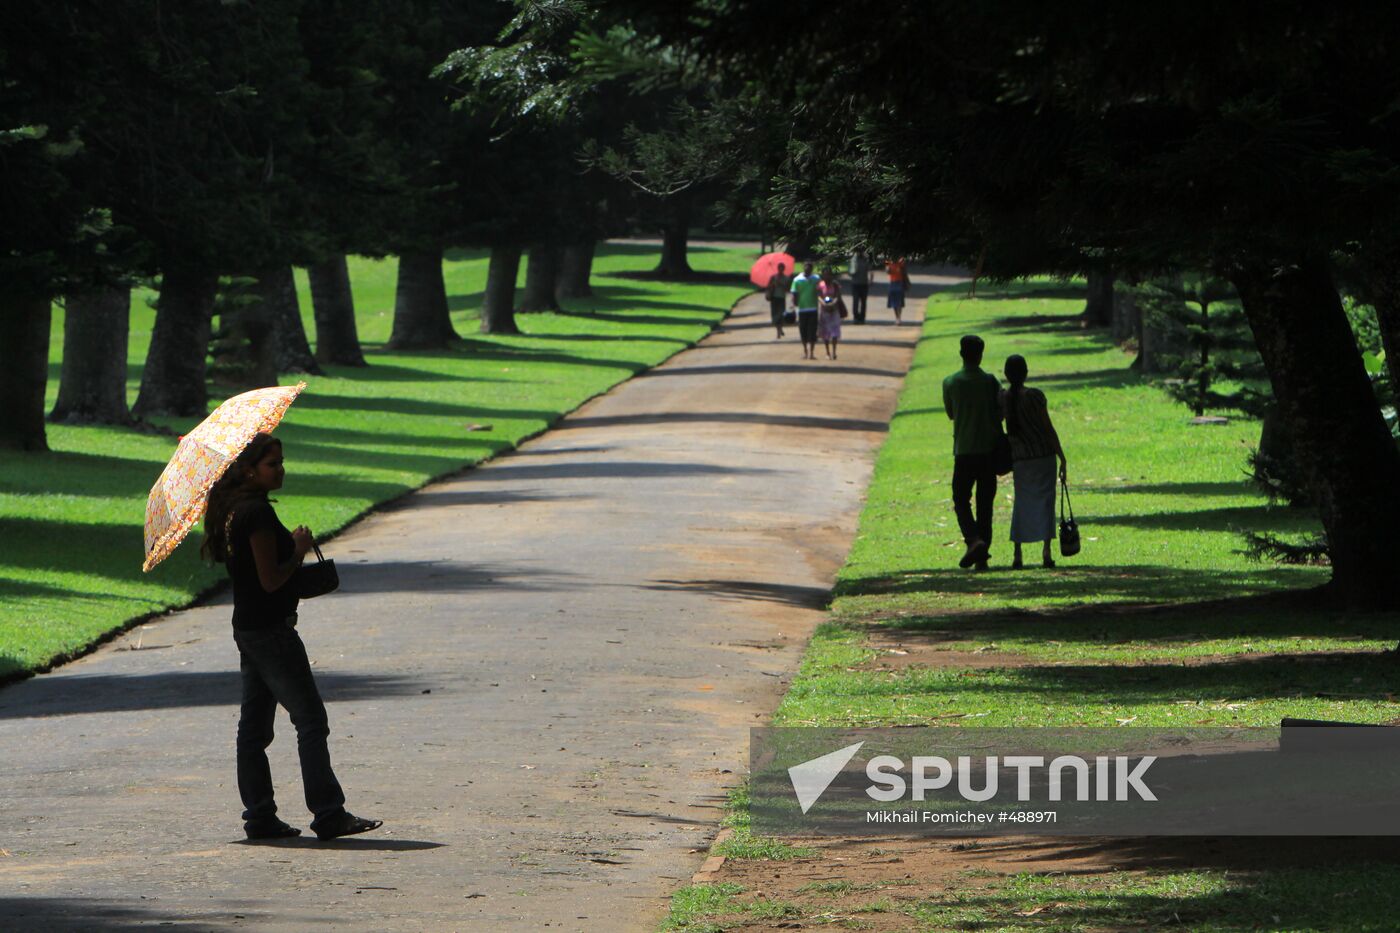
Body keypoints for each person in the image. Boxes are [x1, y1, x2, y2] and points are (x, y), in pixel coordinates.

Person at [201, 433, 381, 842]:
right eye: (272, 464)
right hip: (270, 630)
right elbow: (270, 580)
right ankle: (328, 813)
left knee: (255, 729)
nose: (281, 470)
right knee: (310, 720)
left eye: (281, 462)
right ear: (249, 470)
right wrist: (298, 548)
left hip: (248, 627)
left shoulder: (233, 510)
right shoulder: (256, 515)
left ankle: (260, 817)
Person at [1001, 355, 1068, 569]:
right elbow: (1047, 428)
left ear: (1006, 375)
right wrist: (1061, 456)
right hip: (1042, 456)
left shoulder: (1002, 398)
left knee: (1022, 503)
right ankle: (1046, 552)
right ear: (1026, 373)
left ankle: (1017, 554)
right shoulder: (1035, 397)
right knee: (1046, 503)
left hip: (1020, 459)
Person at [941, 335, 1002, 570]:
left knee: (960, 499)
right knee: (985, 504)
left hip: (964, 451)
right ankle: (981, 556)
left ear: (961, 354)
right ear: (981, 354)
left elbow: (951, 414)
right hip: (988, 451)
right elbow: (1000, 411)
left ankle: (973, 540)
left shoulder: (951, 382)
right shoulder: (990, 382)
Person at [790, 261, 822, 360]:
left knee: (812, 332)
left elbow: (820, 291)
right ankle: (805, 351)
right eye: (806, 267)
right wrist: (794, 304)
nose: (807, 269)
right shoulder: (797, 280)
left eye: (809, 268)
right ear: (803, 268)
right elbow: (794, 293)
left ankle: (811, 352)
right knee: (803, 331)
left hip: (813, 308)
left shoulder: (816, 279)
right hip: (802, 309)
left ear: (812, 269)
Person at [817, 267, 844, 359]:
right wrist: (824, 303)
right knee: (825, 333)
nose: (827, 276)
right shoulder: (820, 285)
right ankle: (827, 352)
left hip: (834, 311)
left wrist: (833, 303)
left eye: (829, 274)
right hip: (824, 312)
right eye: (825, 274)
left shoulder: (835, 285)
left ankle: (834, 351)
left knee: (834, 333)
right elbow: (819, 296)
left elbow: (838, 296)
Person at [765, 262, 791, 339]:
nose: (780, 269)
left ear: (783, 269)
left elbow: (788, 289)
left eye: (782, 268)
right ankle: (778, 330)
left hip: (782, 297)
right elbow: (768, 286)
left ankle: (780, 329)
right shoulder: (773, 277)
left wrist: (781, 284)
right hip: (774, 297)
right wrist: (773, 285)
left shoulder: (786, 278)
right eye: (779, 268)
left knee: (781, 314)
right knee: (775, 315)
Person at [885, 256, 910, 325]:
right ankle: (897, 317)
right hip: (892, 283)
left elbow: (904, 272)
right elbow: (887, 271)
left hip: (900, 282)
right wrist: (888, 265)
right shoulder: (888, 261)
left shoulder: (901, 260)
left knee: (899, 301)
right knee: (893, 302)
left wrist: (907, 282)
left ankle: (899, 318)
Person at [849, 249, 871, 323]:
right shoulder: (853, 260)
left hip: (864, 283)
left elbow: (870, 270)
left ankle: (862, 317)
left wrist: (871, 280)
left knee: (863, 302)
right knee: (855, 301)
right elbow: (850, 272)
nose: (860, 253)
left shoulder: (866, 260)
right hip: (855, 284)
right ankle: (856, 317)